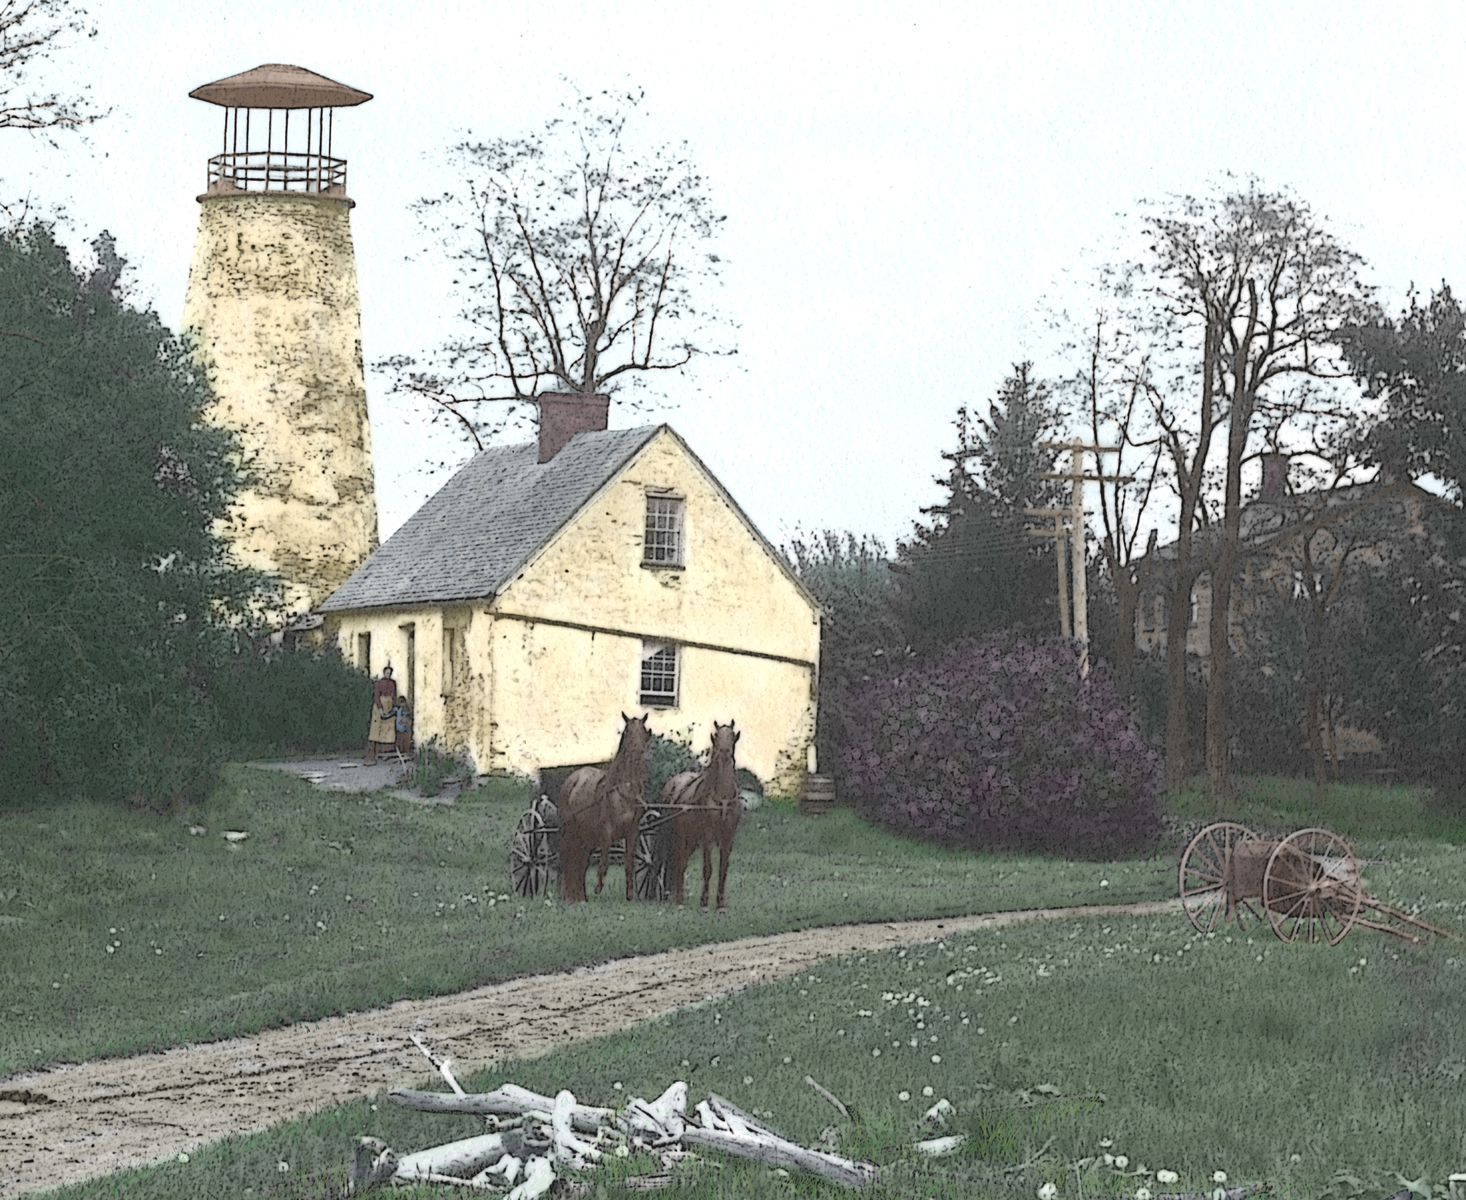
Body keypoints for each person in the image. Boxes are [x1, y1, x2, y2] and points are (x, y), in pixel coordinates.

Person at [366, 665, 397, 764]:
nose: (388, 675)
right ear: (384, 673)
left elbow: (394, 695)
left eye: (390, 673)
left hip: (389, 705)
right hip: (380, 705)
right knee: (376, 729)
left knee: (388, 728)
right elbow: (376, 695)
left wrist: (393, 707)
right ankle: (373, 755)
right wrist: (380, 708)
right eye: (387, 673)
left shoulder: (393, 683)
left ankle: (385, 753)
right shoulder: (379, 683)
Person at [393, 694, 413, 759]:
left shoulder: (406, 709)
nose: (401, 703)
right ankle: (400, 753)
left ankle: (405, 753)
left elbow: (408, 714)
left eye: (402, 702)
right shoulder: (397, 709)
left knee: (405, 740)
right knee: (400, 739)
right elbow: (392, 712)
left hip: (405, 726)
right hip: (400, 727)